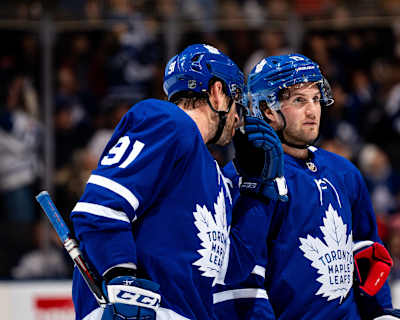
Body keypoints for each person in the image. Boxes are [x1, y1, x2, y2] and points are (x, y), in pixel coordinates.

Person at [70, 44, 286, 320]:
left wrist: (258, 192)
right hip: (141, 313)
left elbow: (228, 269)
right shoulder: (168, 122)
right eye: (238, 103)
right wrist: (122, 279)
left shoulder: (214, 176)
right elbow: (100, 207)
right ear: (218, 93)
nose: (238, 118)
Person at [213, 54, 400, 319]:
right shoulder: (245, 179)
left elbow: (367, 250)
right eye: (299, 100)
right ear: (268, 109)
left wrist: (381, 312)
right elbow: (243, 280)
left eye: (316, 99)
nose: (312, 110)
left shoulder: (343, 171)